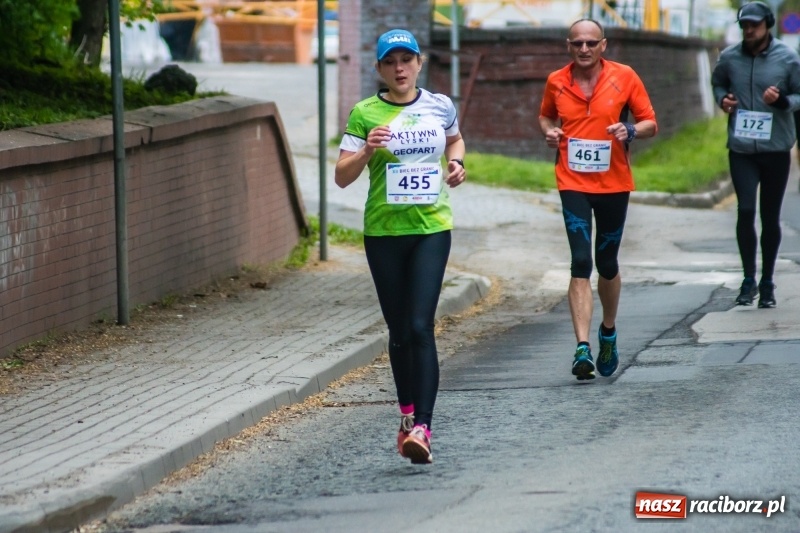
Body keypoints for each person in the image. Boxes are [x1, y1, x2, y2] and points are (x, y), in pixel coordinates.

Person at [334, 29, 466, 464]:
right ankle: (407, 415)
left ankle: (424, 428)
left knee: (420, 325)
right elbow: (341, 176)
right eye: (390, 62)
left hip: (431, 229)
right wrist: (367, 151)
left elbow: (454, 138)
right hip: (384, 234)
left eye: (406, 60)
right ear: (379, 69)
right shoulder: (365, 113)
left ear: (419, 63)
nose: (400, 68)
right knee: (398, 332)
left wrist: (457, 162)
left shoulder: (439, 106)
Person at [538, 19, 657, 381]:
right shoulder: (556, 81)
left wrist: (630, 129)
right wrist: (550, 132)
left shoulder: (625, 76)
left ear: (603, 45)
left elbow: (650, 122)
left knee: (606, 262)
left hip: (614, 183)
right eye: (577, 43)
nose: (584, 49)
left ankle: (607, 330)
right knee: (579, 260)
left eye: (591, 43)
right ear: (569, 45)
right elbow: (545, 116)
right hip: (572, 180)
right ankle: (581, 347)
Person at [711, 1, 800, 308]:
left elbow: (799, 96)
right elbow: (718, 81)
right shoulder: (730, 57)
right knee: (746, 211)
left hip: (776, 149)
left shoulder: (788, 58)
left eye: (755, 26)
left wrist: (781, 102)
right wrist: (723, 99)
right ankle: (749, 279)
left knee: (769, 217)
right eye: (745, 26)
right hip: (742, 149)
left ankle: (768, 282)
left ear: (767, 25)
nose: (749, 31)